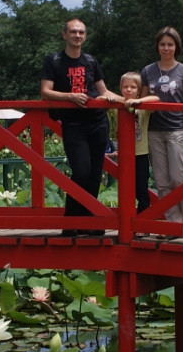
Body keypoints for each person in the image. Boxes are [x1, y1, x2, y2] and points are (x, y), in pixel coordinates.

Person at [40, 19, 122, 236]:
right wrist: (70, 96)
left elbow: (103, 91)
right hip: (73, 124)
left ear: (85, 36)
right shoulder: (54, 61)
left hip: (97, 122)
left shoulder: (90, 61)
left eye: (81, 32)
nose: (77, 35)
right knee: (81, 171)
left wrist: (127, 101)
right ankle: (71, 220)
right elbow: (46, 92)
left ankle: (90, 221)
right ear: (64, 35)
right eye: (73, 32)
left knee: (95, 173)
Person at [140, 26, 183, 227]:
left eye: (170, 44)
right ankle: (173, 223)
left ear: (176, 47)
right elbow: (143, 99)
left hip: (177, 130)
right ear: (157, 46)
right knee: (162, 181)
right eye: (163, 44)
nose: (166, 48)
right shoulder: (148, 70)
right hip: (154, 130)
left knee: (179, 178)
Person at [102, 72, 156, 213]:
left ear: (139, 90)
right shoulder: (117, 106)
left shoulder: (144, 108)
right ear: (121, 89)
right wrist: (111, 98)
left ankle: (143, 219)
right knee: (126, 188)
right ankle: (128, 219)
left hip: (140, 153)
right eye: (125, 87)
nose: (129, 90)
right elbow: (99, 97)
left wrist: (139, 101)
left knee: (141, 187)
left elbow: (156, 98)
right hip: (124, 153)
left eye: (133, 87)